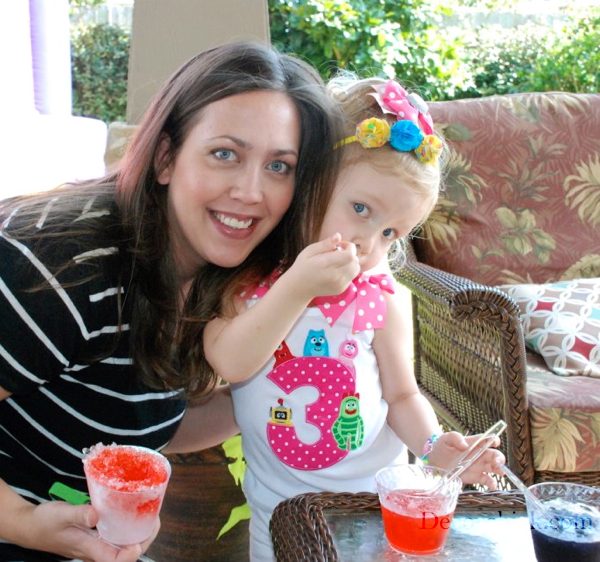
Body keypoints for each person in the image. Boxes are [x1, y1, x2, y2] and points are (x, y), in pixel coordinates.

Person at [0, 41, 343, 562]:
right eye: (225, 154)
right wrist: (25, 525)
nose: (251, 192)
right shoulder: (60, 271)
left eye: (279, 166)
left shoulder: (222, 276)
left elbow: (141, 414)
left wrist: (273, 393)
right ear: (165, 157)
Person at [204, 76, 507, 561]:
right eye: (360, 209)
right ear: (309, 184)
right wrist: (298, 287)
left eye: (391, 232)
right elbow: (231, 362)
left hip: (374, 508)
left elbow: (402, 394)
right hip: (278, 513)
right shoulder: (248, 280)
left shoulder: (380, 297)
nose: (371, 244)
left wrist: (433, 446)